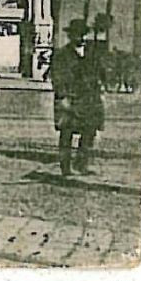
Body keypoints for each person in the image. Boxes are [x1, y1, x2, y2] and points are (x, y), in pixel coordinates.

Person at [50, 18, 105, 177]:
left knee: (89, 132)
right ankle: (65, 167)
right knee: (66, 133)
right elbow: (57, 77)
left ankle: (81, 164)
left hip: (89, 99)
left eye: (82, 34)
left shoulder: (91, 53)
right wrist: (63, 97)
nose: (80, 38)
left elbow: (98, 72)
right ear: (70, 36)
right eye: (76, 35)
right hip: (70, 98)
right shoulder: (62, 54)